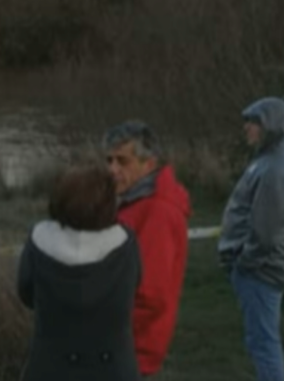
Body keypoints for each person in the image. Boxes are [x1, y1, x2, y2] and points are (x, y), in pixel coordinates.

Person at [17, 164, 141, 381]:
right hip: (115, 371)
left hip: (50, 368)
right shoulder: (126, 245)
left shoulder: (38, 242)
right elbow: (135, 287)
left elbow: (26, 293)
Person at [103, 121, 191, 378]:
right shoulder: (135, 203)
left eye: (122, 161)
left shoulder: (157, 212)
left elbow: (151, 294)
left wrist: (105, 330)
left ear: (148, 164)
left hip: (130, 349)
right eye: (109, 160)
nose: (112, 169)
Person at [218, 97, 284, 381]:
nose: (247, 128)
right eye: (247, 121)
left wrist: (245, 263)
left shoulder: (274, 168)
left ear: (271, 125)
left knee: (263, 343)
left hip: (260, 271)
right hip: (260, 268)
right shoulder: (267, 161)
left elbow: (266, 232)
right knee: (262, 339)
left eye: (254, 122)